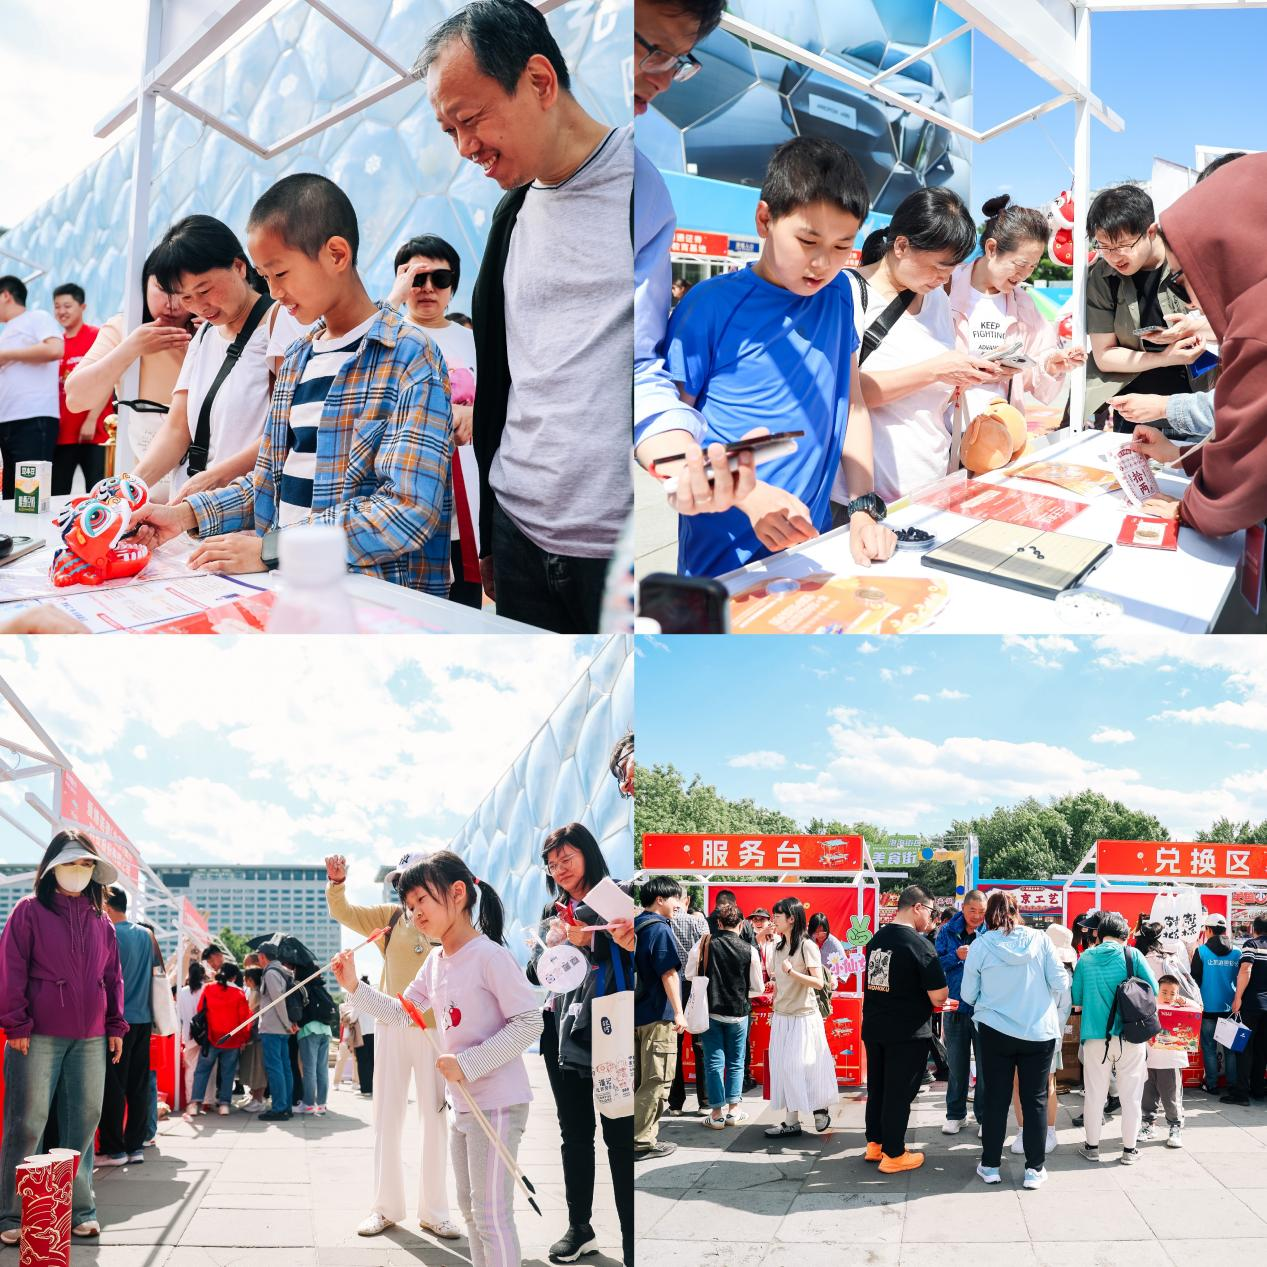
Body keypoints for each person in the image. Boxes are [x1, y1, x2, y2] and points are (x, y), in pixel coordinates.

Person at [418, 0, 633, 632]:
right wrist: (492, 530)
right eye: (448, 131)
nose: (465, 148)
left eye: (469, 119)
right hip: (518, 534)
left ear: (539, 81)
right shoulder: (510, 216)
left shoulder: (638, 183)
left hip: (617, 551)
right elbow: (508, 378)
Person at [130, 173, 452, 593]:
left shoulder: (408, 355)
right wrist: (183, 515)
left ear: (336, 254)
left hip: (370, 597)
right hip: (289, 589)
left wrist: (271, 549)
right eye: (265, 277)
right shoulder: (299, 357)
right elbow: (267, 484)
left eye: (280, 273)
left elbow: (407, 510)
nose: (275, 291)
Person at [661, 136, 895, 577]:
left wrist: (863, 506)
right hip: (722, 563)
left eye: (842, 246)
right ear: (765, 219)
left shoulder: (840, 294)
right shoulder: (709, 306)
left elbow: (852, 405)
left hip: (812, 549)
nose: (823, 263)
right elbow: (668, 438)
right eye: (808, 241)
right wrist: (747, 496)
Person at [333, 852, 542, 1267]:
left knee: (491, 1216)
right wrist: (354, 986)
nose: (414, 913)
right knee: (472, 1211)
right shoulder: (435, 961)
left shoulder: (489, 956)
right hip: (463, 1104)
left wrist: (467, 1064)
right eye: (409, 906)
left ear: (457, 893)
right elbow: (402, 1012)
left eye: (421, 900)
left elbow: (529, 1022)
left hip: (497, 1103)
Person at [633, 0, 759, 520]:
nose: (664, 79)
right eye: (655, 50)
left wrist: (680, 457)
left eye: (678, 60)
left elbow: (635, 367)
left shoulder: (642, 192)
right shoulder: (710, 301)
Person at [1124, 154, 1267, 537]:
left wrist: (1189, 510)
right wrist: (1184, 457)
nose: (1190, 300)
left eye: (1181, 279)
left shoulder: (1256, 322)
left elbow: (1248, 471)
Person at [324, 851, 456, 1240]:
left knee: (435, 1121)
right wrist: (337, 883)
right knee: (386, 1118)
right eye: (400, 883)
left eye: (413, 882)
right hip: (391, 1023)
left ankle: (435, 1212)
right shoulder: (391, 916)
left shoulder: (447, 919)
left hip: (436, 1032)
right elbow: (344, 911)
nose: (405, 890)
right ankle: (384, 1208)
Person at [0, 832, 125, 1244]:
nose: (79, 871)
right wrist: (16, 1024)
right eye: (72, 862)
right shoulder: (29, 911)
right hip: (37, 1034)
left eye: (87, 864)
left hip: (91, 1037)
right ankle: (11, 1214)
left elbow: (112, 977)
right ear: (53, 866)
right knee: (27, 1122)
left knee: (84, 1122)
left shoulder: (102, 921)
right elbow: (11, 967)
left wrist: (115, 1026)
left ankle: (79, 1210)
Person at [841, 188, 995, 506]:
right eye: (937, 267)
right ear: (901, 246)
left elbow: (930, 388)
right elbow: (847, 394)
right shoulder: (848, 293)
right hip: (862, 495)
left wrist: (960, 375)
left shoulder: (936, 298)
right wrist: (935, 370)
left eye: (950, 270)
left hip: (930, 482)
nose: (942, 278)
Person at [130, 215, 301, 502]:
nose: (199, 306)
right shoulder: (205, 334)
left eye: (205, 290)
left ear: (239, 267)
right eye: (186, 298)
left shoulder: (282, 323)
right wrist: (127, 487)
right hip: (190, 507)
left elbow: (289, 429)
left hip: (243, 508)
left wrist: (216, 478)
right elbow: (177, 429)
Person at [529, 823, 634, 1262]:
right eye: (553, 864)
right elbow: (535, 973)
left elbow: (637, 954)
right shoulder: (552, 911)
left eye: (566, 859)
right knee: (574, 1132)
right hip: (561, 1029)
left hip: (609, 1025)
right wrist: (548, 949)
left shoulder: (618, 896)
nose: (560, 870)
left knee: (619, 1134)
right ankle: (580, 1226)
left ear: (588, 853)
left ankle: (631, 1237)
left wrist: (596, 937)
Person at [388, 234, 482, 608]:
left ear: (453, 286)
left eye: (439, 279)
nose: (428, 288)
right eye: (417, 278)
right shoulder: (389, 337)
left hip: (468, 501)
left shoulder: (474, 340)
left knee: (464, 609)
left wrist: (476, 412)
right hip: (409, 499)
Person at [64, 247, 195, 499]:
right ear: (144, 284)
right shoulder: (123, 328)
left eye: (182, 292)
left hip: (203, 490)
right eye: (162, 289)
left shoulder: (214, 331)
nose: (171, 303)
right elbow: (76, 398)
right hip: (142, 489)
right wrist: (131, 347)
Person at [960, 891, 1066, 1190]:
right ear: (1017, 911)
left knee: (996, 1098)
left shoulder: (980, 945)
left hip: (995, 1029)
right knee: (1035, 1100)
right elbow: (1060, 981)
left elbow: (967, 994)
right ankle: (1034, 1170)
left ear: (988, 916)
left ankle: (990, 1165)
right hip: (1038, 1031)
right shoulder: (1041, 940)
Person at [1083, 184, 1211, 428]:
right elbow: (1104, 356)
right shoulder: (1101, 276)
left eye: (1123, 245)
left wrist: (1192, 328)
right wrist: (1165, 358)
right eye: (1104, 246)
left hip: (1196, 405)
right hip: (1133, 410)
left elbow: (1229, 326)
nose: (1114, 256)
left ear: (1150, 231)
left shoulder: (1189, 258)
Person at [948, 197, 1085, 419]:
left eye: (1032, 266)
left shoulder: (1023, 303)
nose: (1024, 274)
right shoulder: (944, 286)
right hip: (944, 425)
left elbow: (1031, 373)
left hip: (1000, 427)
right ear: (992, 248)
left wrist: (1051, 364)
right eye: (1021, 264)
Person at [861, 885, 948, 1172]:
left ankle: (875, 1144)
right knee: (899, 1093)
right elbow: (939, 996)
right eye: (932, 912)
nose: (932, 919)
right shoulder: (919, 945)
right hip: (906, 1031)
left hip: (875, 1026)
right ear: (917, 907)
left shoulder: (877, 939)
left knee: (878, 1088)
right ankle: (894, 1154)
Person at [1071, 910, 1158, 1165]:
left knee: (1095, 1094)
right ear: (1124, 935)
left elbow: (1077, 999)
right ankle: (1129, 1151)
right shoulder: (1133, 955)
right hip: (1130, 1035)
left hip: (1095, 1037)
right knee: (1131, 1096)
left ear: (1099, 934)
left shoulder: (1086, 958)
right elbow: (1153, 989)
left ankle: (1092, 1147)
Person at [763, 896, 837, 1139]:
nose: (774, 919)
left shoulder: (807, 946)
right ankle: (791, 1121)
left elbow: (818, 982)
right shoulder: (778, 947)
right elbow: (779, 979)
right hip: (782, 1016)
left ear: (792, 919)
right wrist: (775, 992)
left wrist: (792, 972)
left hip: (804, 1017)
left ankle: (820, 1110)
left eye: (778, 915)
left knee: (807, 1065)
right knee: (785, 1069)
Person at [687, 899, 765, 1129]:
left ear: (718, 923)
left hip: (710, 1011)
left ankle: (716, 1114)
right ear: (741, 924)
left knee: (713, 1062)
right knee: (736, 1062)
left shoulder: (704, 943)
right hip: (739, 1013)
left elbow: (690, 974)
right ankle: (734, 1111)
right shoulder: (749, 950)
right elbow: (758, 987)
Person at [99, 885, 154, 1167]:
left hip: (117, 1021)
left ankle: (114, 1150)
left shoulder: (106, 932)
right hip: (143, 1018)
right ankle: (135, 1147)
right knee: (138, 1086)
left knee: (113, 1086)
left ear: (108, 907)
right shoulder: (146, 935)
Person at [634, 876, 686, 1159]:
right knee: (657, 1080)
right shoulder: (659, 929)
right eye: (676, 898)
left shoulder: (634, 926)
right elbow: (668, 973)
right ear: (660, 899)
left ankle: (639, 1136)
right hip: (657, 1015)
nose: (679, 904)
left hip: (634, 1015)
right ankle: (642, 1141)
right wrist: (679, 1012)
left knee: (639, 1080)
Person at [0, 275, 63, 499]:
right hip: (7, 420)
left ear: (6, 295)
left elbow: (55, 349)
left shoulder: (37, 317)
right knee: (10, 495)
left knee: (30, 496)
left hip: (33, 418)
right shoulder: (7, 331)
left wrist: (6, 355)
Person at [51, 283, 110, 495]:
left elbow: (108, 378)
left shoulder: (97, 336)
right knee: (57, 493)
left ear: (82, 307)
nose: (61, 311)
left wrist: (92, 419)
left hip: (94, 432)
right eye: (57, 306)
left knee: (98, 492)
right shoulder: (55, 344)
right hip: (63, 434)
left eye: (67, 306)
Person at [935, 889, 986, 1136]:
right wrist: (955, 956)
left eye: (981, 911)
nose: (976, 916)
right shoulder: (946, 931)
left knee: (985, 1067)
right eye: (972, 910)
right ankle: (955, 1115)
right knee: (956, 1065)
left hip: (984, 1009)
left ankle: (984, 1118)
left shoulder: (990, 932)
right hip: (954, 1005)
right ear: (963, 908)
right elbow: (934, 965)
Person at [186, 961, 252, 1117]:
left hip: (211, 1038)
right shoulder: (239, 994)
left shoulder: (209, 988)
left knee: (202, 1071)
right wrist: (244, 1039)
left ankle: (195, 1104)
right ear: (234, 977)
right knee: (228, 1073)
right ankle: (224, 1104)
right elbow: (244, 1020)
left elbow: (200, 1009)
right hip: (232, 1040)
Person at [668, 891, 710, 1116]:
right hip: (695, 987)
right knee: (700, 1044)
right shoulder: (698, 922)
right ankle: (705, 1102)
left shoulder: (663, 922)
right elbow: (707, 954)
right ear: (686, 901)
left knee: (674, 1046)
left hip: (670, 986)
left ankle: (675, 1103)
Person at [1192, 914, 1243, 1100]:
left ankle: (1212, 1084)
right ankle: (1232, 1086)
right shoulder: (1237, 952)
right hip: (1231, 1008)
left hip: (1208, 1008)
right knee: (1230, 1050)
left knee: (1209, 1047)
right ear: (1225, 930)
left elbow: (1194, 981)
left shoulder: (1201, 952)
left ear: (1208, 930)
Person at [1140, 975, 1191, 1148]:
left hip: (1171, 1062)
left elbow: (1198, 1008)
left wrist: (1183, 1000)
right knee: (1147, 1097)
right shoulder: (1150, 1007)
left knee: (1171, 1098)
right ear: (1157, 991)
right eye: (1164, 992)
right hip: (1149, 1061)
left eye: (1172, 993)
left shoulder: (1182, 1007)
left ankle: (1175, 1127)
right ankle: (1148, 1125)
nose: (1168, 996)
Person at [256, 943, 298, 1121]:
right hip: (282, 1028)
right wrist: (289, 1023)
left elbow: (278, 1001)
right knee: (284, 1068)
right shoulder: (283, 971)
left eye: (259, 956)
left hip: (273, 1027)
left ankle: (279, 1108)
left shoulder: (271, 973)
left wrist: (287, 1023)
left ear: (263, 956)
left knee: (275, 1068)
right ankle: (286, 1106)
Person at [1228, 913, 1267, 1104]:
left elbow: (1246, 970)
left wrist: (1238, 997)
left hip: (1251, 1005)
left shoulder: (1252, 945)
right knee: (1262, 1049)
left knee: (1243, 1048)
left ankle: (1241, 1094)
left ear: (1254, 928)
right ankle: (1258, 1089)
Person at [238, 966, 267, 1112]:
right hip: (259, 1035)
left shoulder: (255, 993)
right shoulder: (260, 992)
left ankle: (258, 1100)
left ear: (250, 979)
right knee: (257, 1069)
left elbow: (249, 1015)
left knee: (257, 1069)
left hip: (255, 1036)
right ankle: (256, 1098)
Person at [178, 960, 207, 1105]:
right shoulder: (206, 989)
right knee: (206, 1068)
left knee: (190, 1068)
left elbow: (180, 1015)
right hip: (204, 1033)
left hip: (188, 1034)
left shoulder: (182, 992)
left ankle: (191, 1100)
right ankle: (205, 1100)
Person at [354, 977, 377, 1096]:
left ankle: (366, 1089)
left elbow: (352, 1017)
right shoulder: (375, 999)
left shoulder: (359, 999)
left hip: (362, 1034)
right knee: (373, 1062)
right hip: (375, 1034)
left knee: (363, 1062)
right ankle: (374, 1088)